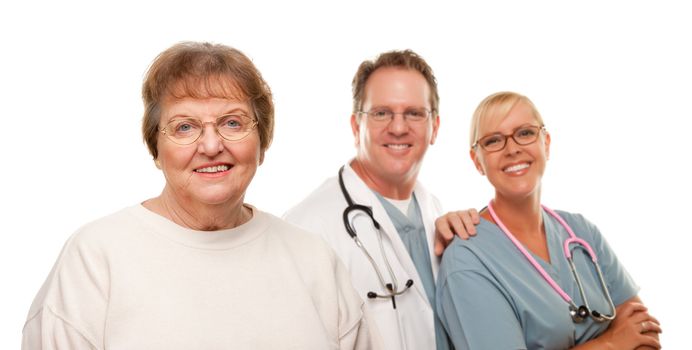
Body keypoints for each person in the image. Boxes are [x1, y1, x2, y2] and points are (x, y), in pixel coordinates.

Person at [22, 41, 381, 350]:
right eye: (185, 127)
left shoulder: (314, 259)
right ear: (156, 148)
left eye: (233, 123)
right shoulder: (96, 259)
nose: (211, 145)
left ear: (263, 142)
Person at [435, 91, 662, 349]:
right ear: (478, 161)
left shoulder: (581, 233)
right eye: (494, 140)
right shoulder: (467, 259)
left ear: (546, 143)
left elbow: (644, 331)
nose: (512, 149)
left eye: (525, 133)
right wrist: (611, 342)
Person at [284, 50, 478, 350]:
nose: (398, 127)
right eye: (381, 112)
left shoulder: (434, 211)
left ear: (435, 127)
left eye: (414, 113)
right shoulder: (307, 227)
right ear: (355, 126)